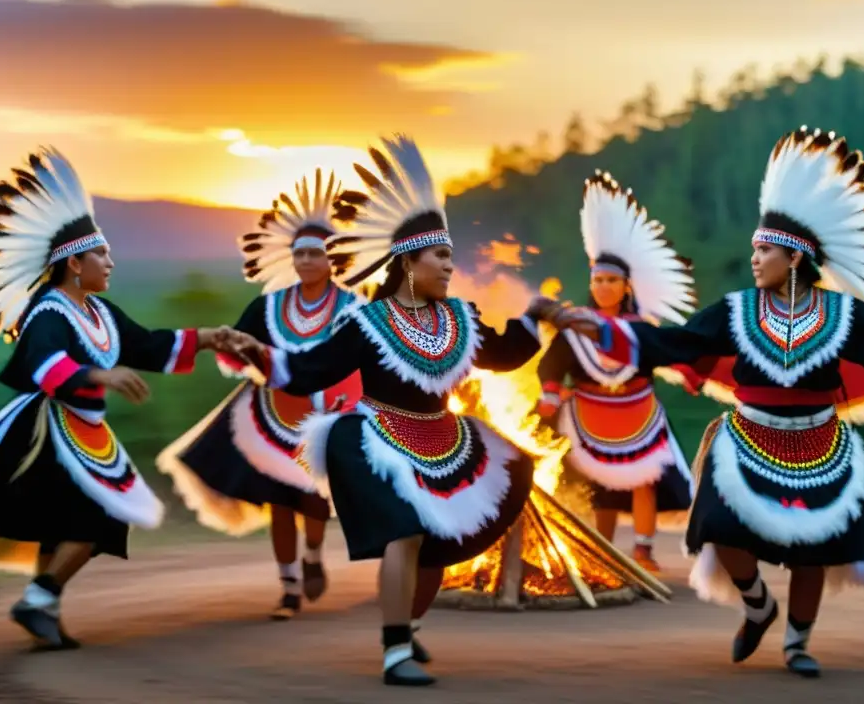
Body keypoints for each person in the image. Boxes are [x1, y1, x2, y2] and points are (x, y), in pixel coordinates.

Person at [222, 135, 591, 686]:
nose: (449, 266)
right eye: (440, 257)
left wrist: (538, 315)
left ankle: (407, 627)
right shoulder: (366, 325)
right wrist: (262, 357)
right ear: (408, 262)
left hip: (443, 440)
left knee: (437, 550)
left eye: (450, 256)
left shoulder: (460, 319)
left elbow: (505, 354)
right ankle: (394, 651)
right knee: (406, 534)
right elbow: (310, 371)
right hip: (376, 440)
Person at [580, 127, 864, 678]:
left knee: (814, 549)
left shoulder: (843, 316)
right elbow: (676, 343)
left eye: (765, 250)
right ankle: (758, 606)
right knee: (721, 529)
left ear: (795, 258)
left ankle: (798, 643)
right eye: (753, 248)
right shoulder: (734, 311)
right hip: (747, 439)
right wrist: (596, 329)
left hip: (820, 445)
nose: (754, 258)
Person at [0, 148, 259, 651]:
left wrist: (213, 336)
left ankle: (44, 608)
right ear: (74, 264)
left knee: (64, 526)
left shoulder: (100, 313)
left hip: (80, 433)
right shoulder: (48, 313)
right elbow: (43, 367)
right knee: (96, 519)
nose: (110, 261)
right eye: (100, 254)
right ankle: (40, 598)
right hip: (42, 433)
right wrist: (99, 375)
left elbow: (147, 344)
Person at [157, 169, 366, 621]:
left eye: (316, 253)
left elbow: (363, 362)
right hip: (270, 418)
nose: (307, 260)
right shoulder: (269, 306)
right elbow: (237, 349)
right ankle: (288, 589)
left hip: (328, 415)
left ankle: (313, 553)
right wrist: (237, 348)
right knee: (280, 503)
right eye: (301, 254)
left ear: (332, 259)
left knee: (313, 500)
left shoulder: (353, 307)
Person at [535, 171, 697, 572]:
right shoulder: (574, 324)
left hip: (638, 410)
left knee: (645, 481)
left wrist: (691, 372)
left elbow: (667, 351)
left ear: (627, 286)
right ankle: (601, 552)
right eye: (598, 279)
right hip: (588, 410)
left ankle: (643, 550)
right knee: (599, 486)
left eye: (612, 280)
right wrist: (551, 391)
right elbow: (552, 361)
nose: (604, 286)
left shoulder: (642, 328)